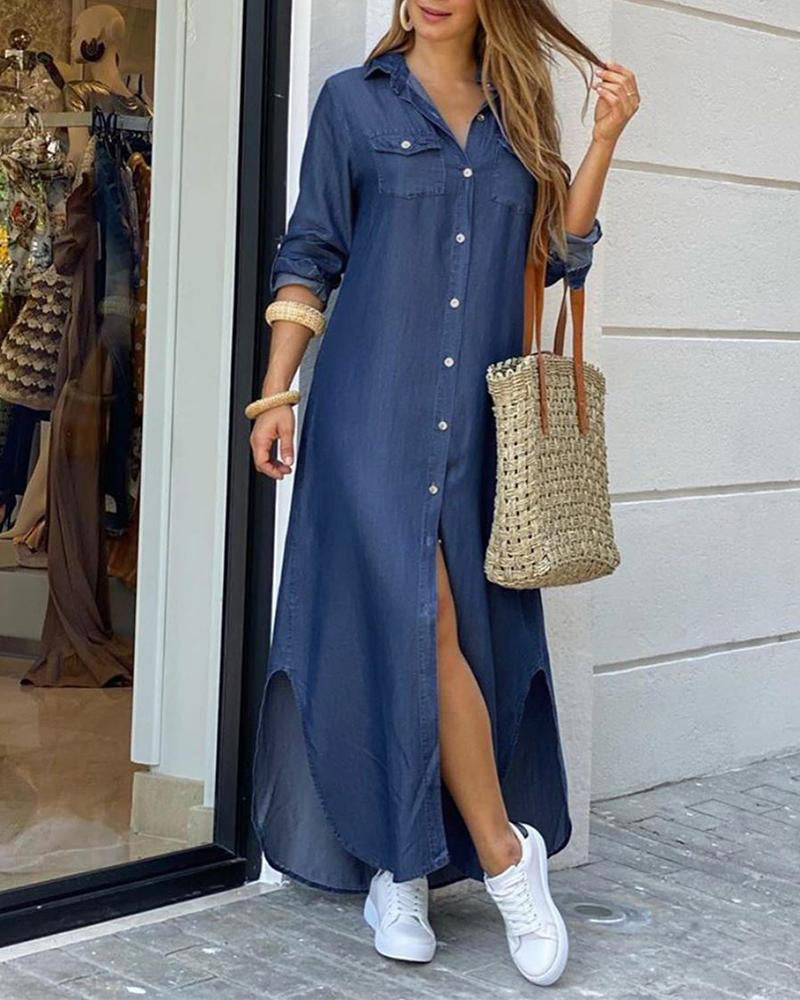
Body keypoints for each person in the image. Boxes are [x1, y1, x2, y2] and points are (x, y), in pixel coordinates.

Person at [248, 0, 639, 987]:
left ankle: (402, 867)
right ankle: (506, 862)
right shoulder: (352, 103)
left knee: (437, 637)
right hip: (367, 417)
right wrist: (275, 392)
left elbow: (558, 257)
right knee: (418, 624)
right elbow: (309, 253)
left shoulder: (518, 118)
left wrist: (602, 138)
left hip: (474, 431)